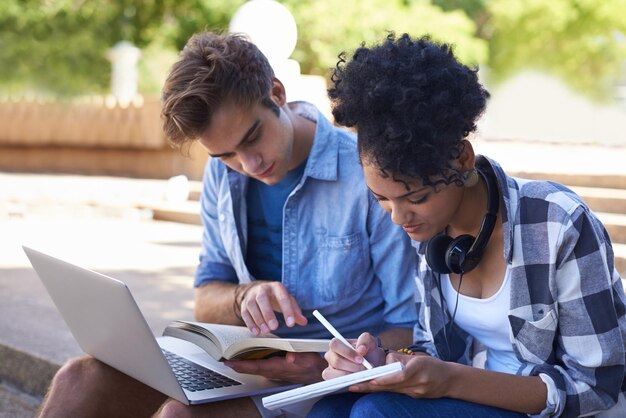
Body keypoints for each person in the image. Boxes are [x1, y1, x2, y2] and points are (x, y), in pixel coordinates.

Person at [35, 32, 417, 418]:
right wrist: (241, 297)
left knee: (177, 416)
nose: (248, 165)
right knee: (77, 379)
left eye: (252, 137)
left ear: (277, 93)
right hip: (242, 364)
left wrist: (328, 361)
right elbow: (206, 298)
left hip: (324, 378)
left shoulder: (363, 175)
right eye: (226, 154)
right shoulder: (223, 174)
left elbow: (409, 327)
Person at [308, 33, 626, 417]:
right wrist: (386, 360)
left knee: (375, 412)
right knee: (330, 408)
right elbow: (431, 350)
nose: (398, 217)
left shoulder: (557, 223)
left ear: (461, 158)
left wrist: (450, 380)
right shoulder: (428, 232)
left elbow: (595, 388)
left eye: (416, 197)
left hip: (558, 410)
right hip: (472, 399)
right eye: (382, 199)